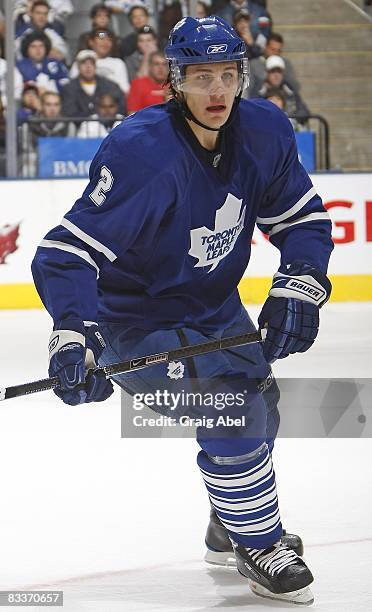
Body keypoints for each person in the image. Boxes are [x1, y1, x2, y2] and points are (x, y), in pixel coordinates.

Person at [32, 16, 333, 606]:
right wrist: (73, 333)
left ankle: (231, 522)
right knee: (231, 410)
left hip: (216, 308)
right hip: (134, 322)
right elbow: (65, 252)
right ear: (174, 81)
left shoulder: (265, 129)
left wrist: (301, 283)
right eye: (201, 77)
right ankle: (259, 541)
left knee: (258, 403)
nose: (217, 91)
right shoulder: (143, 153)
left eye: (228, 75)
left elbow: (301, 219)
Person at [61, 49, 125, 119]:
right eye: (84, 63)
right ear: (78, 67)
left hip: (109, 124)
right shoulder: (69, 88)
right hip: (80, 127)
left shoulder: (109, 85)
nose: (88, 67)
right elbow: (69, 112)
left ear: (95, 66)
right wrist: (93, 116)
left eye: (91, 63)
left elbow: (121, 107)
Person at [70, 30, 129, 95]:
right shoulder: (80, 61)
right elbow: (73, 88)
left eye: (109, 40)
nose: (105, 42)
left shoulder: (118, 63)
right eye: (102, 38)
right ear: (91, 42)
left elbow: (124, 90)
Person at [258, 55, 310, 124]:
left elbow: (304, 112)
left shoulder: (290, 91)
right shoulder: (259, 92)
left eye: (279, 71)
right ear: (267, 73)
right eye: (273, 71)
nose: (276, 75)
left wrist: (290, 120)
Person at [249, 31, 300, 98]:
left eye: (278, 51)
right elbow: (248, 89)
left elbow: (295, 87)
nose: (276, 53)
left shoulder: (286, 64)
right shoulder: (254, 64)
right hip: (260, 100)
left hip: (283, 101)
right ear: (265, 48)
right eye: (273, 49)